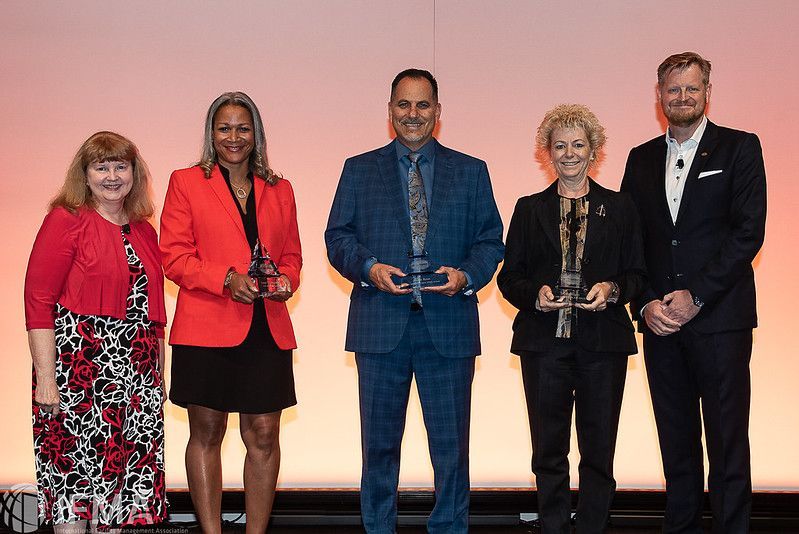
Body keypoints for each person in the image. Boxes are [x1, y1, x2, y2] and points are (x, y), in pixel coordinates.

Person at [325, 68, 504, 533]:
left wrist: (467, 276)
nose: (413, 114)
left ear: (438, 112)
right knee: (378, 447)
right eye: (403, 104)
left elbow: (491, 241)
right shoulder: (358, 169)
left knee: (451, 448)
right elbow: (337, 236)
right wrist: (367, 268)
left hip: (448, 327)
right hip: (380, 327)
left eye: (423, 105)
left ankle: (448, 527)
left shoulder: (472, 170)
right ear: (389, 111)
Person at [620, 52, 767, 533]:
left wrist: (696, 295)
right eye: (672, 90)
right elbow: (629, 243)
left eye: (691, 89)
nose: (682, 98)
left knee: (727, 443)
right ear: (658, 95)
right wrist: (644, 303)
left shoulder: (740, 149)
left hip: (720, 321)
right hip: (660, 324)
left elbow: (748, 234)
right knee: (676, 445)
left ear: (708, 92)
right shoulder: (639, 159)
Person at [497, 105, 646, 533]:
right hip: (544, 345)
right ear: (546, 152)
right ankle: (554, 526)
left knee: (599, 450)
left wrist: (613, 291)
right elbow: (510, 278)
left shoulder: (621, 208)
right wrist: (535, 296)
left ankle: (594, 527)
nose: (569, 153)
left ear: (594, 150)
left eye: (578, 144)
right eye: (559, 145)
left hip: (604, 345)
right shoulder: (528, 209)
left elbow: (638, 273)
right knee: (548, 451)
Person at [160, 92, 301, 533]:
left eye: (243, 128)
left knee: (264, 435)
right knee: (206, 434)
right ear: (211, 133)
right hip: (205, 328)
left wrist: (286, 282)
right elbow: (174, 256)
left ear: (256, 134)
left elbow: (293, 256)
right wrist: (224, 278)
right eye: (224, 128)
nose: (234, 137)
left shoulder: (281, 189)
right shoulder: (186, 182)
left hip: (267, 328)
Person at [24, 131, 167, 532]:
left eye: (120, 166)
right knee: (77, 487)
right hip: (79, 374)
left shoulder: (143, 230)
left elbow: (153, 314)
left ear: (134, 174)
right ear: (84, 175)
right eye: (100, 167)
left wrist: (159, 378)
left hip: (136, 380)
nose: (111, 176)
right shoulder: (65, 220)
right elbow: (37, 301)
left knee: (121, 489)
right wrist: (46, 381)